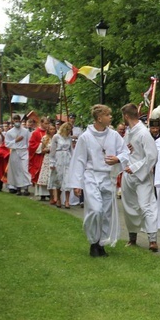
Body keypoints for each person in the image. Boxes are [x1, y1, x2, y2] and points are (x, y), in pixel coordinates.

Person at [67, 104, 128, 257]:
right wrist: (77, 183)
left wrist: (118, 159)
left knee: (106, 213)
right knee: (95, 209)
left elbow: (125, 152)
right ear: (99, 118)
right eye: (108, 115)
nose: (111, 117)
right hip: (91, 176)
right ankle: (93, 240)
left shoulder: (114, 135)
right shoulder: (85, 137)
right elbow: (79, 160)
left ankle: (101, 243)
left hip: (107, 177)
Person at [120, 103, 159, 251]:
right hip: (128, 174)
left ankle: (152, 239)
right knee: (130, 206)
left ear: (126, 116)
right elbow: (125, 151)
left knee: (146, 205)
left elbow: (152, 156)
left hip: (142, 175)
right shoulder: (129, 132)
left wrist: (135, 167)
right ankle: (132, 237)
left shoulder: (143, 133)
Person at [5, 114, 32, 195]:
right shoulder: (9, 132)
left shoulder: (25, 131)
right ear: (13, 121)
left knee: (24, 169)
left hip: (24, 151)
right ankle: (18, 188)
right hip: (15, 151)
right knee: (17, 170)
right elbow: (7, 144)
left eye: (18, 120)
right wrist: (15, 141)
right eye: (15, 121)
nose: (17, 122)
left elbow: (29, 141)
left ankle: (26, 187)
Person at [49, 122, 73, 208]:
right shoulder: (56, 137)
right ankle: (58, 198)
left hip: (67, 159)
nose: (69, 132)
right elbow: (52, 151)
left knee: (67, 179)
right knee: (58, 179)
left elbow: (71, 150)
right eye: (68, 130)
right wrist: (52, 162)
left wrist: (73, 161)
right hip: (59, 159)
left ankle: (67, 200)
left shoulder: (69, 138)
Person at [35, 123, 57, 204]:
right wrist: (47, 150)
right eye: (50, 129)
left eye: (53, 129)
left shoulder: (57, 138)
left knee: (54, 176)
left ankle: (54, 195)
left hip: (55, 158)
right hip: (47, 158)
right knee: (46, 175)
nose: (52, 131)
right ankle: (45, 193)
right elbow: (42, 150)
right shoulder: (45, 138)